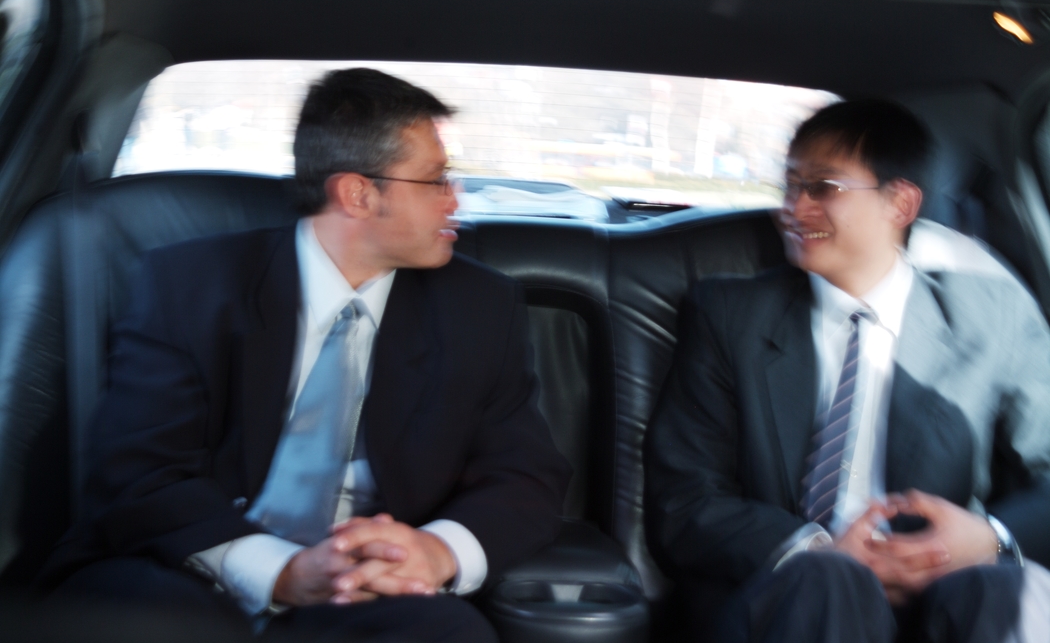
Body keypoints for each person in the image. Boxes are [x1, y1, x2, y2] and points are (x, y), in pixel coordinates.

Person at [41, 68, 572, 642]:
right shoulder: (190, 285)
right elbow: (135, 470)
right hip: (191, 564)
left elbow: (524, 474)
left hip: (363, 591)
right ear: (358, 194)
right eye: (437, 180)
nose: (457, 201)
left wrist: (435, 552)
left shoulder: (480, 306)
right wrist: (280, 571)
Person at [645, 98, 1050, 642]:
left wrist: (990, 537)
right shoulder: (729, 314)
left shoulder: (991, 315)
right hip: (792, 586)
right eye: (789, 186)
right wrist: (812, 546)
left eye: (822, 188)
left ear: (900, 203)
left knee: (1002, 594)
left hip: (947, 583)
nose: (793, 207)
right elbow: (683, 496)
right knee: (829, 581)